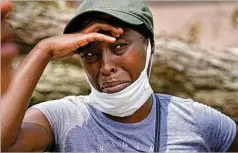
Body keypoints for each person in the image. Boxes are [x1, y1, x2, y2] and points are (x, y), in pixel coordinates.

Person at [1, 0, 238, 152]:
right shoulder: (63, 118)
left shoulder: (195, 120)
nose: (105, 67)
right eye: (91, 53)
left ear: (149, 47)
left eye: (119, 46)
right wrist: (44, 50)